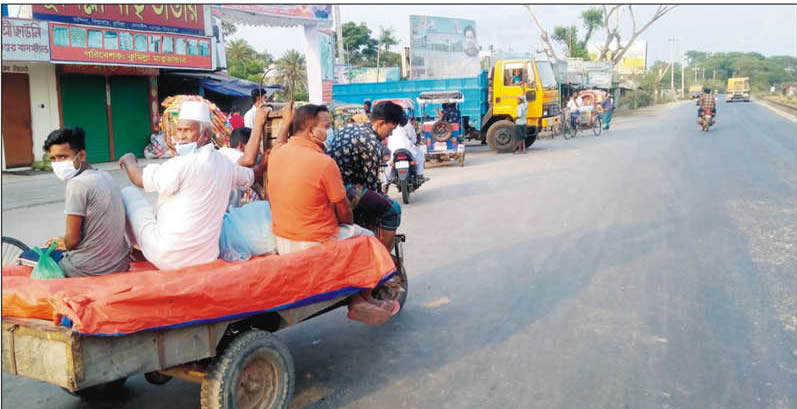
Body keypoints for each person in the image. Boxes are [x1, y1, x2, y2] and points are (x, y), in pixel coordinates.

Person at [119, 100, 254, 270]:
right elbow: (249, 177)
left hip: (167, 257)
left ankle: (132, 254)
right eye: (180, 130)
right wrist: (263, 163)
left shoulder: (182, 164)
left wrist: (129, 161)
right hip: (206, 257)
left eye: (188, 130)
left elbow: (139, 179)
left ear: (205, 135)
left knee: (127, 193)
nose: (181, 137)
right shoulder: (225, 163)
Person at [40, 127, 130, 277]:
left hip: (86, 269)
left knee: (28, 256)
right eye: (53, 159)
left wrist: (65, 242)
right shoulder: (105, 176)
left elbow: (73, 241)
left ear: (81, 155)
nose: (57, 163)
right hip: (118, 264)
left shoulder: (77, 184)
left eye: (63, 157)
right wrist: (65, 241)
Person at [328, 101, 406, 249]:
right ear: (381, 123)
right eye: (391, 129)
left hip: (334, 185)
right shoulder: (371, 143)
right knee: (393, 210)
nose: (390, 134)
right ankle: (384, 259)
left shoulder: (351, 128)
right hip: (343, 189)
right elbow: (370, 186)